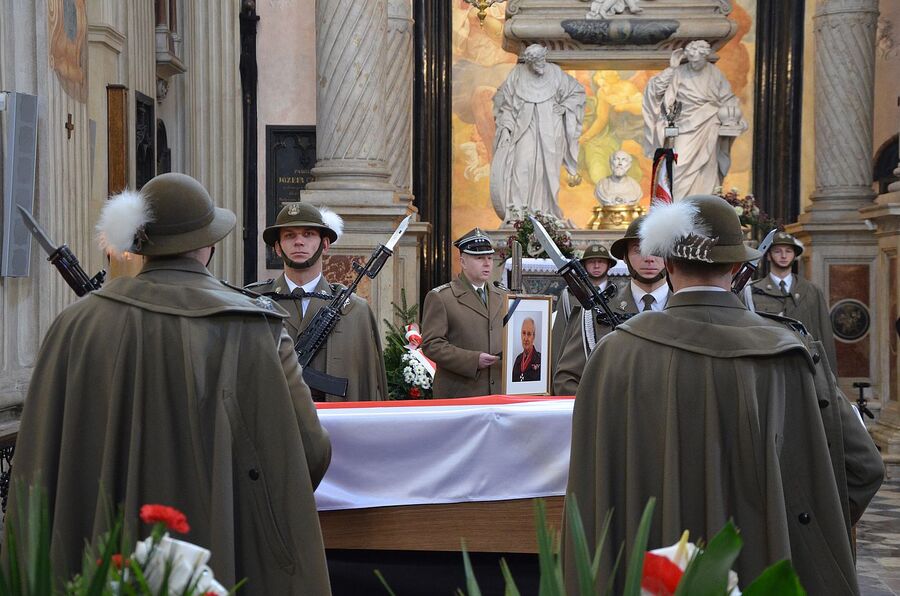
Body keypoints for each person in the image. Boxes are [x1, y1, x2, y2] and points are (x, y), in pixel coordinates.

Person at [6, 173, 333, 593]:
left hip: (102, 554)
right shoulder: (256, 327)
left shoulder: (74, 325)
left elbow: (39, 462)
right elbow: (310, 450)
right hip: (225, 556)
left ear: (142, 243)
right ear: (210, 243)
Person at [563, 195, 883, 594]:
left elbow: (592, 493)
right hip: (765, 568)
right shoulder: (789, 354)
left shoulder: (614, 356)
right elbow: (864, 467)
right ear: (736, 266)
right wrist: (801, 527)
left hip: (648, 574)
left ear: (667, 263)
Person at [248, 202, 388, 402]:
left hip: (336, 426)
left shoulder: (355, 310)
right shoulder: (254, 303)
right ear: (277, 248)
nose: (299, 242)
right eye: (289, 235)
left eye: (308, 234)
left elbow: (369, 385)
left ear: (325, 244)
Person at [553, 217, 669, 395]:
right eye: (639, 250)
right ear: (626, 257)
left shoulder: (689, 310)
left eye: (657, 249)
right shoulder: (596, 312)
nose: (649, 258)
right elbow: (566, 380)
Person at [490, 44, 585, 222]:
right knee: (521, 166)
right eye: (536, 63)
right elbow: (506, 105)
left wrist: (565, 107)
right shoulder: (517, 75)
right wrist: (505, 128)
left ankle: (545, 213)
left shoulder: (556, 73)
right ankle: (519, 217)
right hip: (524, 130)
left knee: (546, 173)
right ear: (529, 62)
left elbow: (577, 92)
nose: (541, 66)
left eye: (542, 60)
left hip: (551, 131)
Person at [643, 40, 747, 199]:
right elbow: (656, 89)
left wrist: (734, 115)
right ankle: (677, 206)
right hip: (683, 125)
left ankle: (701, 207)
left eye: (697, 61)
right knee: (678, 166)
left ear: (705, 57)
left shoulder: (714, 73)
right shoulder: (679, 72)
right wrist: (672, 68)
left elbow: (728, 98)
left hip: (708, 123)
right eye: (691, 60)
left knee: (706, 167)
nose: (694, 64)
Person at [421, 228, 505, 397]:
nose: (487, 263)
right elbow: (432, 345)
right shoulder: (442, 297)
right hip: (461, 391)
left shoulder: (503, 296)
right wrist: (473, 360)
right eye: (479, 258)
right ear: (463, 262)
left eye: (489, 257)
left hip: (498, 392)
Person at [745, 231, 838, 373]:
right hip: (768, 368)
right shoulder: (752, 291)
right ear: (768, 255)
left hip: (805, 367)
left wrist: (829, 379)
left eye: (788, 251)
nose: (783, 256)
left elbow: (824, 335)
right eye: (777, 251)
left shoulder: (811, 291)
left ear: (795, 255)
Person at [550, 243, 616, 382]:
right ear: (583, 266)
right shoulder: (570, 296)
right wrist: (557, 372)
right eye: (592, 262)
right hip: (576, 369)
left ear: (609, 265)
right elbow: (559, 335)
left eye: (601, 262)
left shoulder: (618, 295)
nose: (596, 266)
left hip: (610, 367)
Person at [512, 317, 542, 382]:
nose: (525, 338)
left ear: (533, 337)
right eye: (523, 333)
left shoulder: (541, 360)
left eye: (529, 334)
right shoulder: (518, 359)